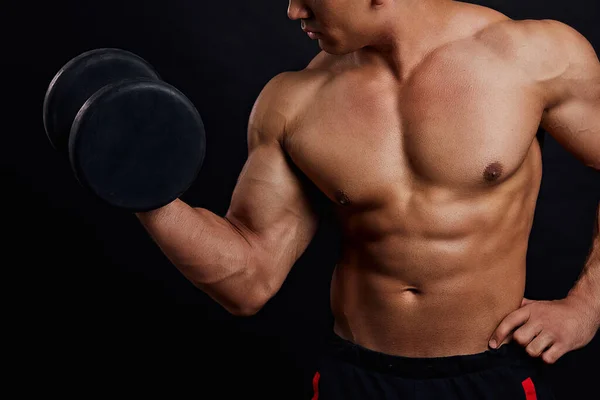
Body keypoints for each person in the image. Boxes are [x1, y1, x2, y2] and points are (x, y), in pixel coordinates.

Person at [136, 0, 600, 398]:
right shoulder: (294, 100)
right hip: (357, 378)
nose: (293, 9)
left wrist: (586, 307)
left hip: (491, 374)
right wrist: (145, 193)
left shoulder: (536, 58)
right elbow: (248, 280)